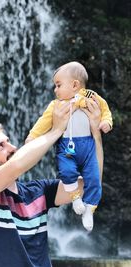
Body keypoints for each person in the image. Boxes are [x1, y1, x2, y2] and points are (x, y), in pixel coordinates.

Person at [0, 100, 102, 267]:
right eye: (1, 146)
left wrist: (95, 134)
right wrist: (56, 130)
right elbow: (16, 166)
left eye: (8, 141)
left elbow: (92, 183)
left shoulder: (40, 191)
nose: (13, 147)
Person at [25, 61, 113, 232]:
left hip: (88, 144)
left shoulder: (92, 97)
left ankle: (89, 209)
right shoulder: (56, 105)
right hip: (67, 145)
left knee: (94, 178)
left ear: (74, 85)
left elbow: (105, 109)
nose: (55, 90)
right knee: (66, 172)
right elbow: (43, 121)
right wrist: (33, 136)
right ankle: (75, 198)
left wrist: (106, 122)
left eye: (58, 85)